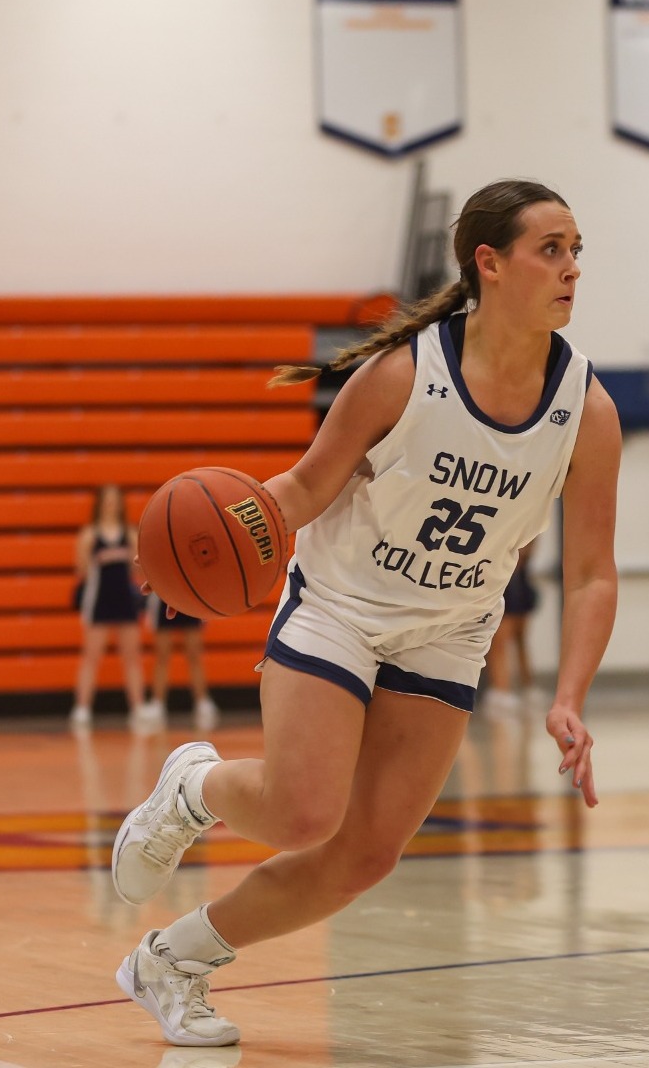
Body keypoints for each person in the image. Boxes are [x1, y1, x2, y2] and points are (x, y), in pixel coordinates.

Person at [107, 179, 620, 1048]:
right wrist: (193, 549)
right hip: (341, 604)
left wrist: (567, 694)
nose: (572, 268)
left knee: (366, 853)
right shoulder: (401, 373)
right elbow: (306, 486)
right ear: (488, 265)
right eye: (552, 249)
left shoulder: (588, 411)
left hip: (452, 628)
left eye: (578, 250)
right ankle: (193, 788)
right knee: (305, 812)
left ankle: (173, 960)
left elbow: (592, 576)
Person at [71, 484, 147, 728]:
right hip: (99, 600)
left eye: (116, 499)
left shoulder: (130, 533)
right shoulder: (90, 534)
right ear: (100, 503)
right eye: (107, 499)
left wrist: (126, 559)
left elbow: (139, 567)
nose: (111, 504)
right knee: (91, 657)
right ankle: (82, 709)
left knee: (132, 657)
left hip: (125, 600)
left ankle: (138, 708)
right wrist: (98, 560)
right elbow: (81, 569)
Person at [483, 540, 539, 713]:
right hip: (499, 580)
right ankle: (500, 690)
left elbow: (529, 547)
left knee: (520, 638)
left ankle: (526, 685)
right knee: (499, 641)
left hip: (518, 580)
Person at [147, 596, 217, 730]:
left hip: (189, 595)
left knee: (194, 654)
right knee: (162, 654)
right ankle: (157, 704)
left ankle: (202, 702)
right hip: (164, 595)